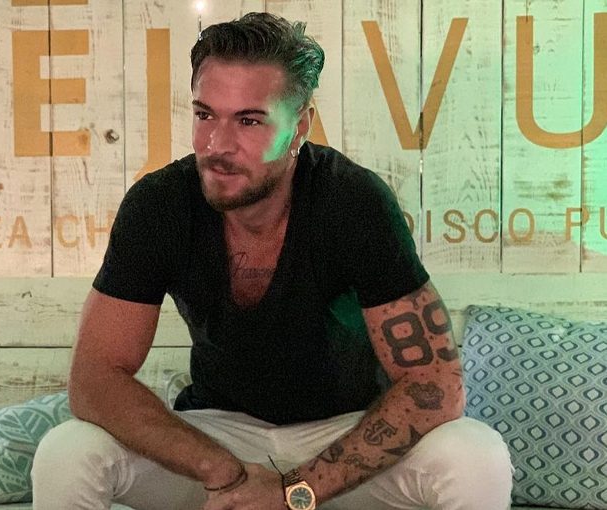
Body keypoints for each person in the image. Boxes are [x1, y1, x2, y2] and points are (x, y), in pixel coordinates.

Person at [32, 12, 513, 510]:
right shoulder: (159, 205)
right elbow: (95, 379)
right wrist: (223, 472)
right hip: (219, 435)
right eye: (205, 115)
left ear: (300, 125)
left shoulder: (352, 201)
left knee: (475, 456)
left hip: (342, 436)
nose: (217, 145)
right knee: (68, 451)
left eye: (249, 121)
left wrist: (294, 492)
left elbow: (434, 384)